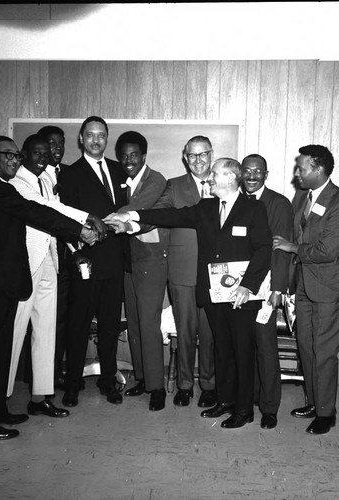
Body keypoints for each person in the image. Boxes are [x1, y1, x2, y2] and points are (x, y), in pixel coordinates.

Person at [106, 158, 272, 429]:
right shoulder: (206, 207)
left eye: (215, 174)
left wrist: (248, 285)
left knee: (242, 352)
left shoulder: (254, 209)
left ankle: (244, 410)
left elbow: (264, 249)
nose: (209, 179)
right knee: (222, 349)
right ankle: (225, 400)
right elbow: (171, 216)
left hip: (242, 296)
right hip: (215, 294)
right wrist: (134, 215)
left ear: (231, 178)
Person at [0, 136, 105, 441]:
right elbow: (36, 212)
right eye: (7, 155)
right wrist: (80, 230)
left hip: (0, 283)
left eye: (15, 156)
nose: (13, 160)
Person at [5, 134, 98, 419]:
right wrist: (86, 218)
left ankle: (40, 397)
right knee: (15, 334)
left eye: (46, 153)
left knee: (46, 332)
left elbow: (55, 224)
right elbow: (49, 210)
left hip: (49, 262)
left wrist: (74, 249)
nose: (43, 157)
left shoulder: (46, 179)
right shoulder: (16, 183)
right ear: (23, 154)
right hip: (25, 265)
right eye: (37, 152)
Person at [273, 145, 339, 435]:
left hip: (331, 286)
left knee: (324, 351)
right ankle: (312, 400)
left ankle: (326, 413)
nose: (298, 173)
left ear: (319, 170)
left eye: (302, 168)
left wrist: (292, 247)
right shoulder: (303, 196)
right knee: (306, 346)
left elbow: (328, 250)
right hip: (305, 284)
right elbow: (297, 230)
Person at [59, 116, 128, 407]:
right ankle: (73, 384)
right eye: (90, 135)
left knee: (110, 326)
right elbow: (63, 216)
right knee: (78, 326)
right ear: (81, 139)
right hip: (85, 262)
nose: (96, 140)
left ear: (107, 138)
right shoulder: (70, 174)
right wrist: (80, 239)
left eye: (101, 135)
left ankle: (108, 381)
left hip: (114, 263)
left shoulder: (118, 168)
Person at [147, 136, 217, 409]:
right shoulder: (174, 186)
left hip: (216, 274)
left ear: (211, 155)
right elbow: (159, 212)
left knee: (210, 333)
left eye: (203, 154)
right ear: (184, 157)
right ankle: (185, 386)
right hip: (183, 270)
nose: (198, 160)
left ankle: (209, 385)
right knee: (184, 331)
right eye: (192, 155)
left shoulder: (222, 182)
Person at [114, 131, 169, 411]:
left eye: (134, 154)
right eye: (123, 155)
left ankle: (157, 387)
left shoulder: (155, 179)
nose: (128, 160)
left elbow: (138, 210)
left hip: (150, 261)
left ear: (144, 156)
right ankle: (143, 378)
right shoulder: (120, 181)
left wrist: (105, 218)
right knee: (134, 323)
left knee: (149, 323)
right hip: (127, 261)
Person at [240, 154, 293, 429]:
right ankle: (249, 398)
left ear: (266, 174)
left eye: (257, 171)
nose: (251, 176)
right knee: (244, 344)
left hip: (266, 287)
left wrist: (277, 288)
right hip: (239, 287)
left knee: (265, 345)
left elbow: (281, 250)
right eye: (246, 171)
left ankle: (270, 407)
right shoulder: (235, 201)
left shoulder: (279, 204)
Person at [37, 125, 71, 388]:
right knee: (46, 318)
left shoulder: (68, 173)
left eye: (60, 143)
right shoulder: (34, 176)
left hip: (68, 253)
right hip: (44, 254)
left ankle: (56, 370)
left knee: (63, 316)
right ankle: (41, 375)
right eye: (51, 143)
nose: (57, 149)